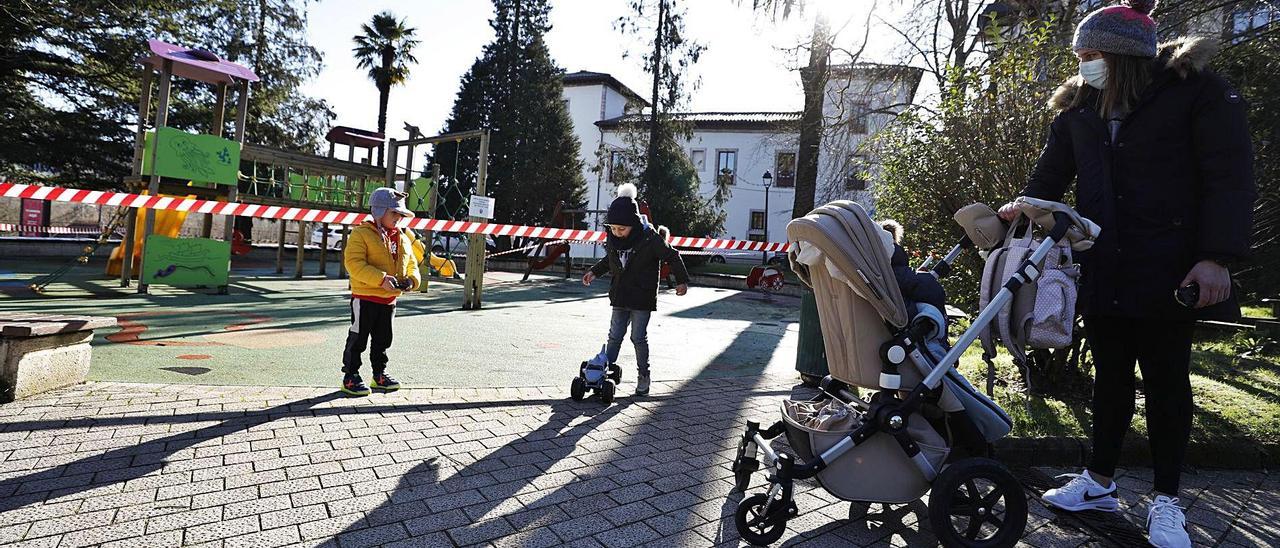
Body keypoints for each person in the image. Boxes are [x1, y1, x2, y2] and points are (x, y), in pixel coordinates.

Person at [998, 2, 1256, 546]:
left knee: (1166, 380)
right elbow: (1052, 171)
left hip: (1171, 265)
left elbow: (1229, 177)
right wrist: (1023, 206)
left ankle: (1167, 500)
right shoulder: (1080, 108)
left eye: (1093, 55)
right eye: (1080, 55)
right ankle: (1098, 482)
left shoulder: (1195, 94)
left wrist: (1216, 257)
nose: (1084, 64)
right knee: (1112, 377)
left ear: (1124, 56)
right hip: (1106, 262)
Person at [583, 183, 690, 396]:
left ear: (633, 223)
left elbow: (673, 255)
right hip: (620, 294)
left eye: (621, 229)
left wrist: (681, 280)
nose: (617, 233)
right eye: (613, 228)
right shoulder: (614, 239)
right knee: (614, 336)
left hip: (642, 295)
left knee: (638, 337)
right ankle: (605, 373)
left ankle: (644, 375)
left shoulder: (650, 238)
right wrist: (594, 272)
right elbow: (610, 260)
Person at [340, 188, 422, 396]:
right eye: (394, 213)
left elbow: (412, 263)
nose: (398, 218)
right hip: (365, 297)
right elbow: (354, 263)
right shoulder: (360, 234)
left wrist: (412, 280)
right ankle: (350, 375)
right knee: (358, 338)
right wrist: (381, 279)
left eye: (400, 214)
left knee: (383, 339)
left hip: (389, 300)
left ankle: (379, 374)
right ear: (378, 211)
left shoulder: (402, 238)